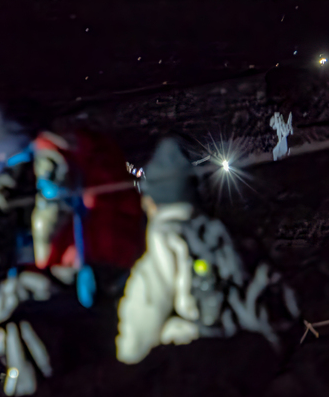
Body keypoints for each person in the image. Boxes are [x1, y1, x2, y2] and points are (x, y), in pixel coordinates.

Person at [0, 100, 145, 396]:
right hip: (104, 272)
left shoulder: (17, 174)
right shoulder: (74, 152)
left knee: (39, 361)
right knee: (94, 359)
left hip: (51, 276)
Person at [116, 138, 300, 365]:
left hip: (199, 360)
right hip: (250, 356)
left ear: (153, 202)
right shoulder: (227, 234)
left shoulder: (165, 241)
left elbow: (137, 337)